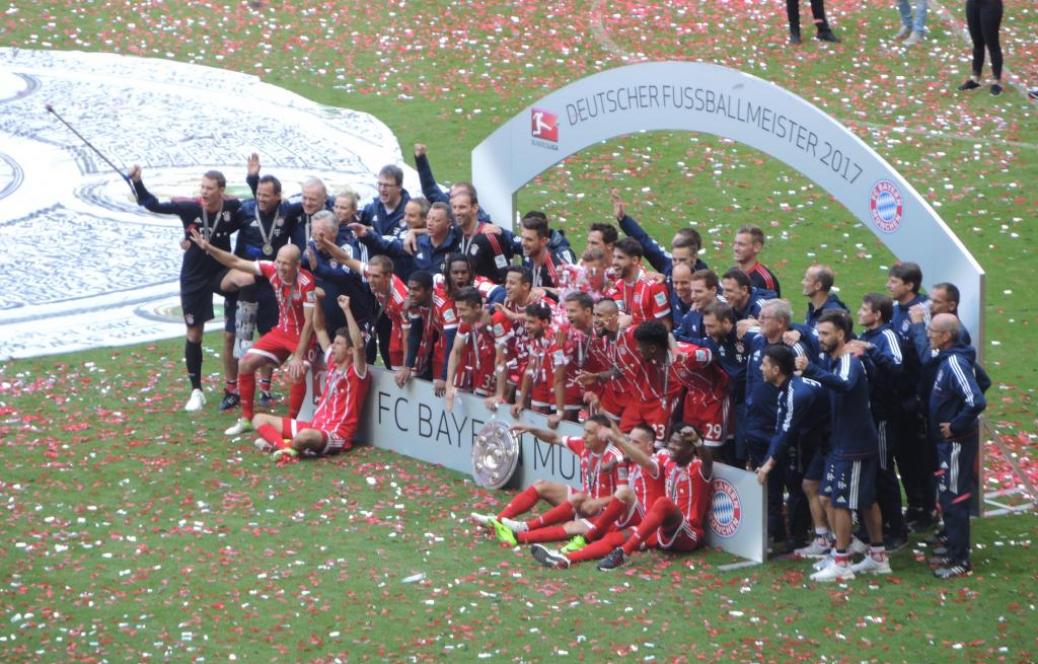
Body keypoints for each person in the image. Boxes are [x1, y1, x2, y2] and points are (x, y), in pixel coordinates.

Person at [128, 165, 250, 412]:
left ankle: (235, 323)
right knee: (195, 333)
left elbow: (255, 211)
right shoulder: (189, 207)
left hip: (220, 270)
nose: (204, 192)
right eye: (202, 187)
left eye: (209, 188)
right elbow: (152, 204)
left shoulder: (233, 206)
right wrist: (138, 183)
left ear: (221, 191)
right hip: (195, 277)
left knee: (243, 279)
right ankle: (197, 391)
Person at [190, 231, 317, 437]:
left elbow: (310, 323)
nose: (281, 267)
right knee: (245, 363)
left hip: (303, 337)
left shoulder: (306, 282)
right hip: (281, 332)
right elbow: (237, 261)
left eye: (286, 264)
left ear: (297, 266)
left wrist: (299, 356)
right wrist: (209, 248)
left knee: (297, 370)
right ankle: (247, 419)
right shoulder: (271, 270)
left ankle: (291, 425)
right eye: (278, 262)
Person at [797, 311, 889, 581]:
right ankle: (878, 556)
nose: (820, 339)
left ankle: (842, 562)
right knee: (863, 500)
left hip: (854, 444)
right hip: (847, 441)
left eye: (825, 334)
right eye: (819, 333)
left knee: (839, 501)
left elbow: (847, 385)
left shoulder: (848, 358)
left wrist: (812, 370)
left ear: (840, 334)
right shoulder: (837, 358)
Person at [471, 416, 627, 544]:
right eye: (584, 431)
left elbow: (628, 495)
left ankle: (524, 530)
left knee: (572, 525)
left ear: (602, 437)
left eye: (590, 433)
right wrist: (533, 430)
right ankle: (498, 521)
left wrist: (599, 502)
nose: (584, 436)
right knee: (541, 485)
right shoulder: (583, 445)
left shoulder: (616, 457)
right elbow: (555, 438)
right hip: (586, 503)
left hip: (607, 514)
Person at [251, 293, 369, 461]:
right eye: (333, 343)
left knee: (306, 437)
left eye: (338, 344)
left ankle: (280, 445)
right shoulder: (332, 363)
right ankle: (286, 448)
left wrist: (346, 309)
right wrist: (316, 299)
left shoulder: (357, 372)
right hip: (314, 425)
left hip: (335, 434)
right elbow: (319, 328)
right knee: (258, 419)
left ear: (349, 351)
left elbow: (358, 345)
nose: (332, 347)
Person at [530, 424, 668, 567]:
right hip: (626, 518)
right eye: (630, 441)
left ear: (650, 445)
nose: (630, 445)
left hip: (648, 525)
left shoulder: (655, 463)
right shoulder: (628, 463)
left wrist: (617, 444)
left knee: (622, 500)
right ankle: (522, 533)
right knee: (575, 525)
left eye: (635, 442)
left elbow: (642, 459)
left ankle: (570, 555)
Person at [596, 425, 715, 570]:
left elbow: (708, 461)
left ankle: (623, 553)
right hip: (664, 532)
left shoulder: (699, 468)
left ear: (691, 449)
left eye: (677, 444)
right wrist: (616, 460)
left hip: (688, 535)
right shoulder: (667, 460)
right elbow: (640, 456)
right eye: (670, 442)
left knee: (662, 503)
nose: (671, 446)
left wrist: (697, 441)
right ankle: (595, 540)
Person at [754, 345, 832, 557]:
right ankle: (825, 537)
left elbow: (786, 433)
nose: (760, 368)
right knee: (811, 486)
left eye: (764, 364)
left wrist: (768, 465)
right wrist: (767, 462)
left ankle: (829, 540)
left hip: (837, 439)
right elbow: (780, 430)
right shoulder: (787, 391)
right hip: (823, 437)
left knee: (816, 488)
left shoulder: (796, 394)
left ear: (777, 369)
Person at [926, 313, 987, 578]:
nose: (928, 333)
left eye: (932, 330)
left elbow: (976, 400)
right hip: (948, 444)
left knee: (954, 498)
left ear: (946, 336)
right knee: (948, 496)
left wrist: (956, 424)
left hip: (956, 444)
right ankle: (953, 549)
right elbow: (984, 381)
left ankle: (960, 559)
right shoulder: (951, 359)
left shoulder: (954, 363)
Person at [856, 293, 911, 550]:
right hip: (867, 414)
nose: (860, 312)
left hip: (883, 417)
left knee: (883, 470)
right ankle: (872, 526)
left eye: (864, 309)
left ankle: (896, 529)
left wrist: (870, 352)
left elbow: (897, 368)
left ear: (877, 314)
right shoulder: (865, 337)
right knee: (872, 471)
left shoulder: (886, 337)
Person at [445, 287, 497, 405]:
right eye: (457, 309)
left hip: (502, 372)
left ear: (477, 307)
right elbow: (456, 351)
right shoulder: (466, 321)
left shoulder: (496, 319)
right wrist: (449, 384)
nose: (458, 314)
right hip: (480, 366)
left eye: (462, 310)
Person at [606, 238, 672, 328]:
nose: (614, 262)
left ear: (635, 260)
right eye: (613, 257)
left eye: (620, 258)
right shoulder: (616, 287)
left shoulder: (654, 287)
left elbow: (666, 325)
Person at [957, 0, 1004, 96]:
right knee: (977, 42)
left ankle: (996, 81)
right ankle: (975, 78)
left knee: (992, 43)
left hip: (991, 4)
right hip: (973, 3)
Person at [520, 215, 575, 289]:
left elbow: (572, 294)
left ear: (543, 241)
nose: (523, 243)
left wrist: (546, 291)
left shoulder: (557, 264)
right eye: (522, 238)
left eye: (529, 240)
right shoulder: (529, 259)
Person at [361, 164, 411, 239]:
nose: (382, 189)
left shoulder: (411, 212)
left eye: (387, 185)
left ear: (399, 187)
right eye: (380, 184)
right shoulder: (373, 207)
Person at [733, 225, 781, 296]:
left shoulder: (765, 280)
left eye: (741, 244)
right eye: (735, 243)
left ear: (757, 247)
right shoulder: (732, 273)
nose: (735, 248)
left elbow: (774, 306)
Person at [801, 264, 847, 328]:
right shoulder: (814, 308)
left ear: (818, 286)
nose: (802, 282)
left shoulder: (832, 314)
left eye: (807, 280)